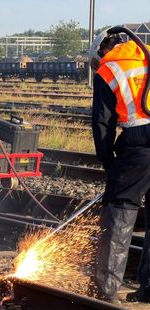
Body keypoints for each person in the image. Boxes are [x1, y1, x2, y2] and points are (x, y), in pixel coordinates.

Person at [90, 29, 150, 303]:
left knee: (119, 211)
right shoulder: (145, 57)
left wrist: (108, 161)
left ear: (102, 50)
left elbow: (103, 123)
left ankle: (105, 291)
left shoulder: (107, 70)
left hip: (138, 144)